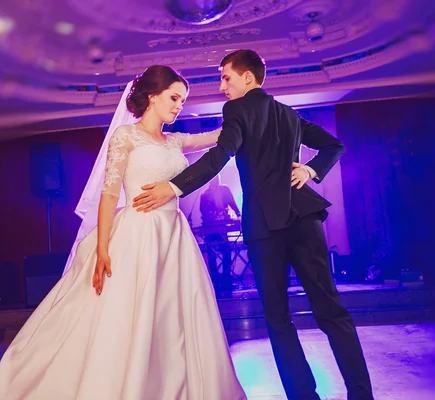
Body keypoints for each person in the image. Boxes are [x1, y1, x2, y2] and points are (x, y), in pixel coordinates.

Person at [0, 66, 246, 400]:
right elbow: (110, 194)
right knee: (129, 314)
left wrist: (243, 106)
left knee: (171, 316)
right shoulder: (126, 137)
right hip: (138, 233)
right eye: (173, 98)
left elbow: (217, 136)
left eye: (182, 101)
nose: (178, 106)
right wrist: (102, 248)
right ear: (152, 96)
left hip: (174, 236)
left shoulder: (176, 141)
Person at [132, 50, 374, 400]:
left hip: (266, 227)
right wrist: (311, 170)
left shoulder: (237, 109)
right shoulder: (289, 113)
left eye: (226, 78)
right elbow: (334, 146)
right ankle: (362, 395)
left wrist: (174, 187)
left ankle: (305, 397)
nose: (222, 87)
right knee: (332, 311)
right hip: (305, 218)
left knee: (278, 320)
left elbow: (220, 154)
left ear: (248, 78)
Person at [199, 174, 240, 292]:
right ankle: (215, 281)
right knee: (212, 254)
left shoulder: (224, 190)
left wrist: (238, 216)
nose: (216, 180)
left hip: (222, 226)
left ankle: (227, 279)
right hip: (211, 227)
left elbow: (232, 202)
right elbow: (203, 212)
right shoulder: (204, 195)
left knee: (226, 251)